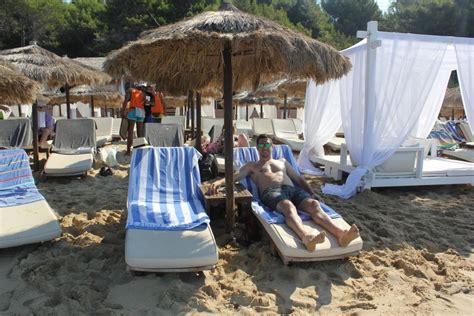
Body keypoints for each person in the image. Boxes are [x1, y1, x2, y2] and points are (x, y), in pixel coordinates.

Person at [208, 134, 360, 251]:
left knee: (314, 205)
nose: (264, 147)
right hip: (272, 193)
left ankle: (341, 235)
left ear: (272, 146)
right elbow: (234, 177)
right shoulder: (252, 166)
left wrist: (312, 193)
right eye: (261, 145)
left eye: (267, 144)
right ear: (257, 148)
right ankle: (306, 237)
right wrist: (218, 182)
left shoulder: (283, 161)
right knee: (288, 207)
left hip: (292, 190)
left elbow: (299, 180)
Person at [121, 83, 146, 155]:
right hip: (141, 111)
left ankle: (128, 151)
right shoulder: (143, 93)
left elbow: (125, 101)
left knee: (130, 131)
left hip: (133, 110)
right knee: (139, 132)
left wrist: (123, 111)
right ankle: (140, 150)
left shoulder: (130, 90)